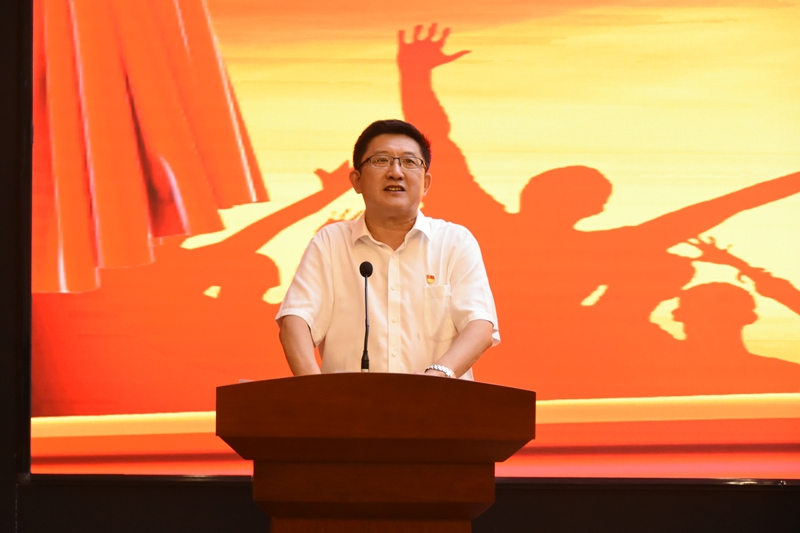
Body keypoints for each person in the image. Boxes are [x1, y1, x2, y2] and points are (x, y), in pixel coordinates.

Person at [276, 119, 499, 379]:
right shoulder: (331, 242)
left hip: (438, 401)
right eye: (381, 160)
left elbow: (479, 326)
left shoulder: (455, 242)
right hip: (349, 404)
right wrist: (316, 393)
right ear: (357, 180)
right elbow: (296, 320)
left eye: (409, 161)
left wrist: (437, 377)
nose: (396, 172)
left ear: (426, 183)